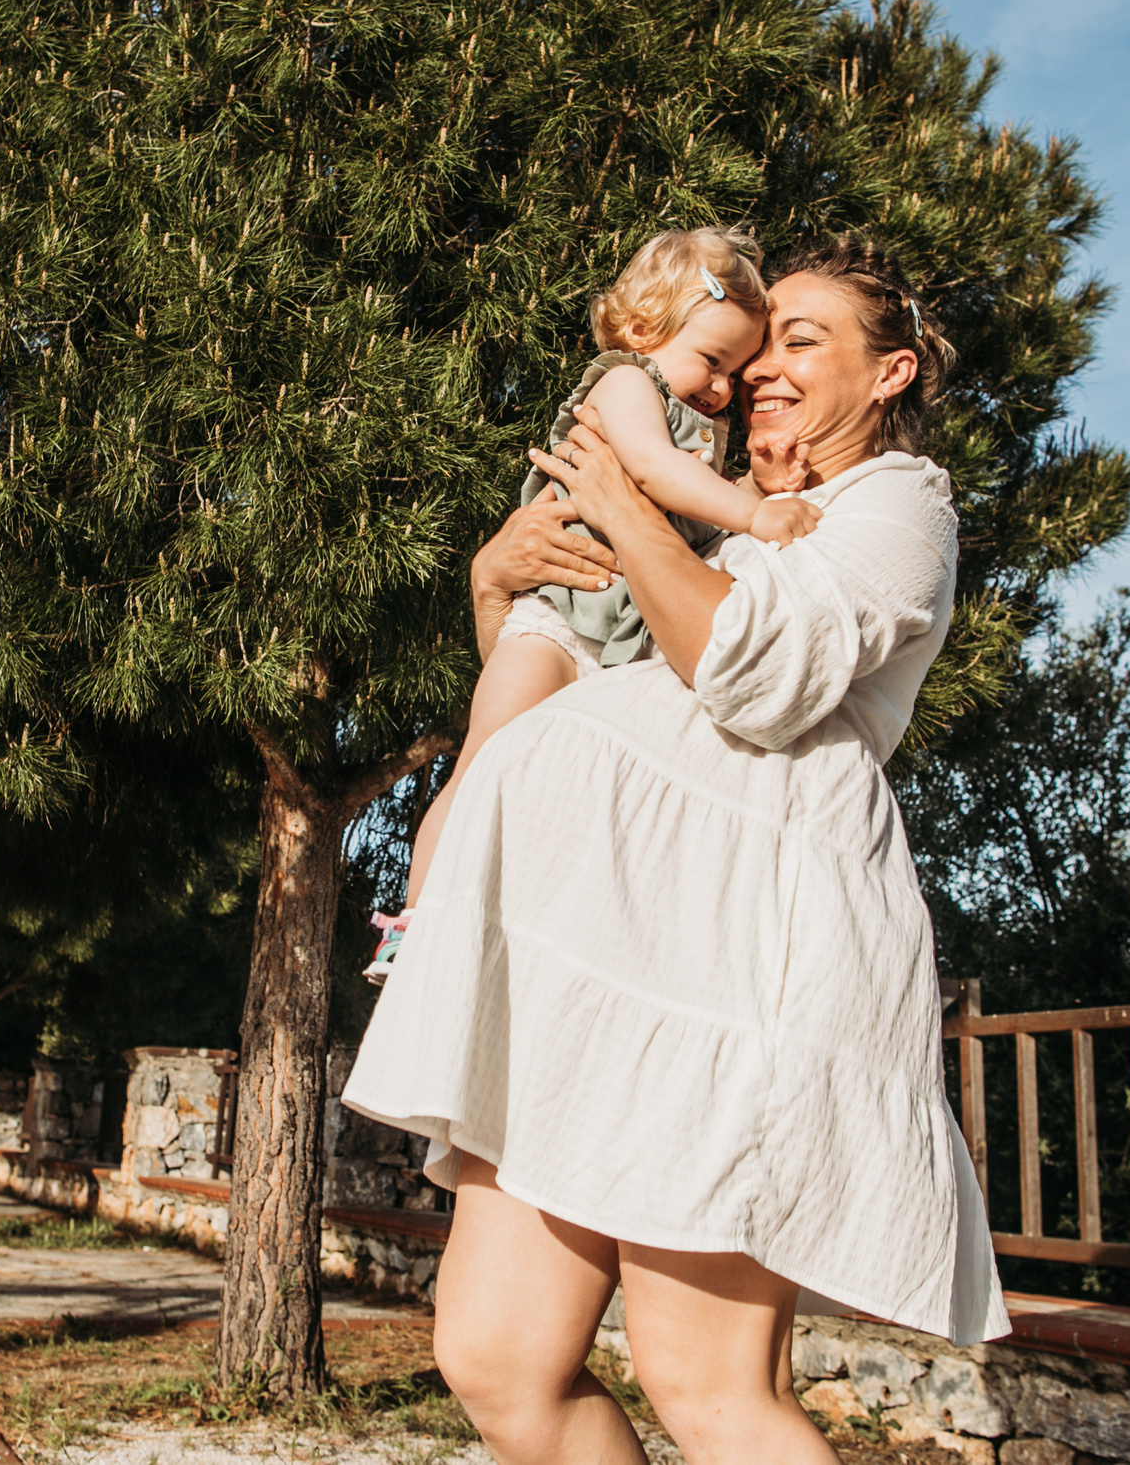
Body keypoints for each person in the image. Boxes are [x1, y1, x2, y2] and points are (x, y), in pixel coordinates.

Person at [343, 236, 1006, 1465]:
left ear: (892, 372)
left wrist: (623, 508)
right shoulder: (720, 519)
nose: (761, 370)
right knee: (498, 1364)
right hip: (578, 964)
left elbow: (750, 674)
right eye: (755, 350)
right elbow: (577, 671)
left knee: (706, 1387)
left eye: (802, 340)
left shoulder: (892, 504)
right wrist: (496, 586)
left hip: (726, 963)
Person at [366, 226, 819, 982]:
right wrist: (757, 511)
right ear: (643, 328)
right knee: (485, 761)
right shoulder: (625, 385)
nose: (721, 389)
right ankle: (416, 920)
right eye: (712, 360)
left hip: (623, 649)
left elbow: (693, 535)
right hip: (552, 620)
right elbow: (652, 469)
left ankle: (514, 937)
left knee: (559, 797)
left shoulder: (698, 436)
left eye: (735, 375)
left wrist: (757, 485)